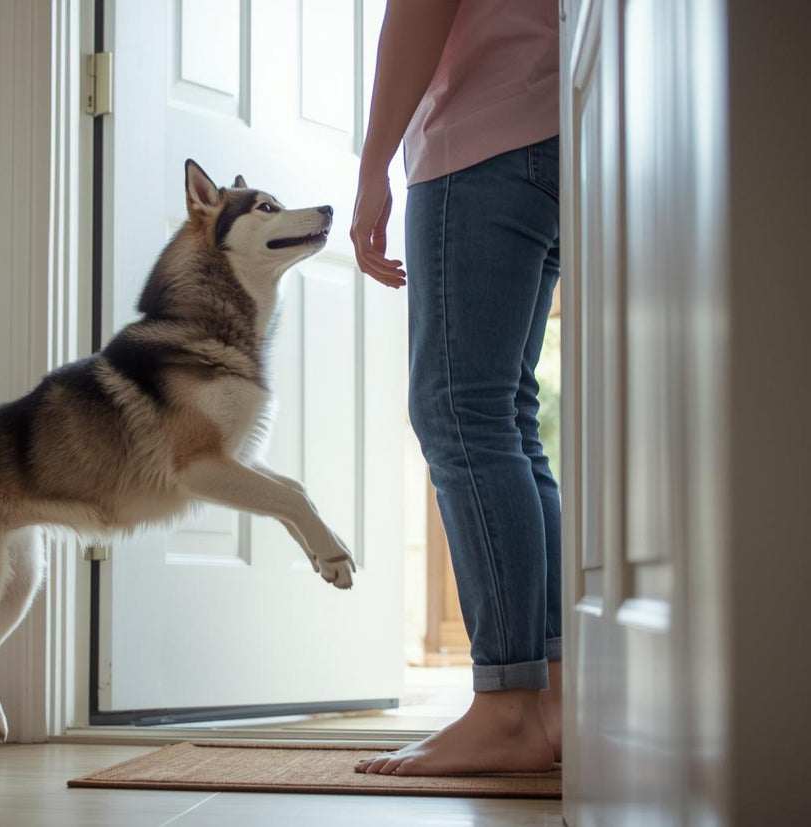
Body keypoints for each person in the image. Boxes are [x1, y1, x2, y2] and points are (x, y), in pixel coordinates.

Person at [350, 0, 562, 776]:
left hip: (484, 137)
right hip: (552, 121)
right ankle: (555, 697)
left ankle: (507, 709)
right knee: (505, 414)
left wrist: (373, 165)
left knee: (460, 414)